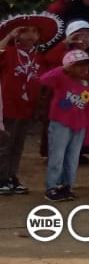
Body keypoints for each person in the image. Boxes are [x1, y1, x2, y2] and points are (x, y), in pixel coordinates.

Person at [39, 50, 89, 201]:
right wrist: (62, 70)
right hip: (61, 124)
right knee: (57, 156)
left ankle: (67, 185)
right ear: (69, 67)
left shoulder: (86, 85)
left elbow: (88, 111)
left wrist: (87, 135)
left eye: (86, 65)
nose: (84, 68)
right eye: (79, 65)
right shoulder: (61, 79)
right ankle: (51, 187)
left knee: (72, 158)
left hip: (79, 127)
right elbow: (44, 79)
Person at [0, 19, 45, 195]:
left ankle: (12, 176)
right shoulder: (10, 52)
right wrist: (9, 36)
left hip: (27, 107)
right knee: (5, 143)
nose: (30, 35)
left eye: (34, 32)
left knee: (18, 144)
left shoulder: (38, 56)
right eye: (25, 31)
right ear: (17, 35)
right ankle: (1, 178)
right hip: (8, 106)